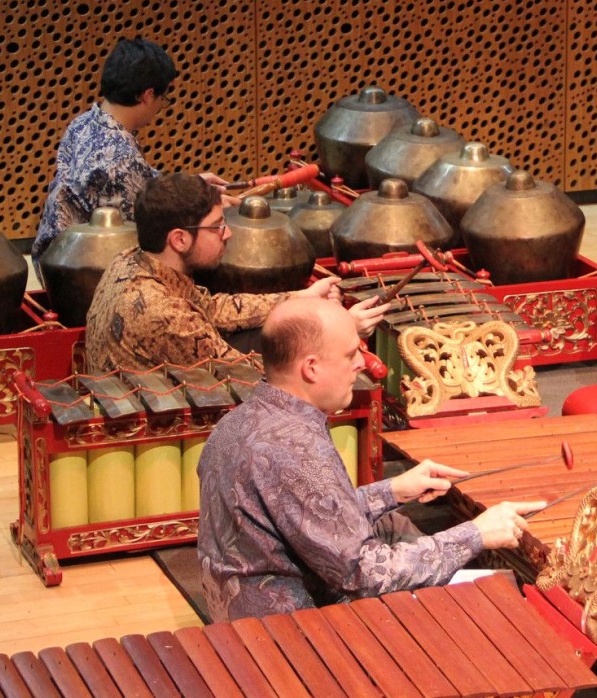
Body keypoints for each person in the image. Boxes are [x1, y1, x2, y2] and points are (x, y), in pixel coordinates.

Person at [197, 297, 544, 621]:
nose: (363, 363)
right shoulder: (296, 450)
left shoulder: (239, 420)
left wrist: (392, 491)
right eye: (350, 355)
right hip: (284, 630)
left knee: (394, 525)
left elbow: (309, 512)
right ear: (311, 368)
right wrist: (475, 534)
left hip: (238, 603)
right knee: (490, 605)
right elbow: (363, 573)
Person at [85, 172, 387, 373]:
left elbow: (215, 308)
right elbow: (249, 374)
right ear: (179, 239)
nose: (228, 233)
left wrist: (302, 299)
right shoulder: (162, 314)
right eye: (217, 226)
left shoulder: (130, 260)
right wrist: (340, 330)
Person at [34, 38, 225, 262]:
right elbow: (147, 225)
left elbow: (140, 185)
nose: (159, 107)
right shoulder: (119, 156)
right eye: (161, 98)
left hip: (55, 256)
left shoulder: (84, 122)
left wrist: (193, 185)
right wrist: (204, 204)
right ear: (147, 95)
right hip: (83, 270)